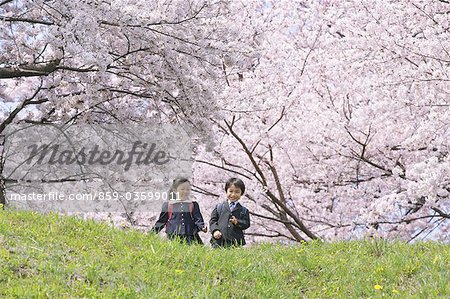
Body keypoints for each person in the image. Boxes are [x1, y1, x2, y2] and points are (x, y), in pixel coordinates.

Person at [151, 178, 207, 245]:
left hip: (190, 237)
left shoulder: (193, 204)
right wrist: (151, 233)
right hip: (173, 237)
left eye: (188, 189)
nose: (185, 191)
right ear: (175, 190)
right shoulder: (168, 205)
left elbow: (198, 219)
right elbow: (161, 221)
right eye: (182, 189)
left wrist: (202, 227)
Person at [210, 178, 250, 248]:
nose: (233, 194)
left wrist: (237, 222)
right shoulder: (219, 207)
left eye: (237, 192)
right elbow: (213, 221)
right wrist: (215, 230)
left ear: (241, 193)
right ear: (226, 191)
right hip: (219, 242)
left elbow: (246, 223)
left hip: (236, 243)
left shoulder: (244, 210)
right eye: (230, 191)